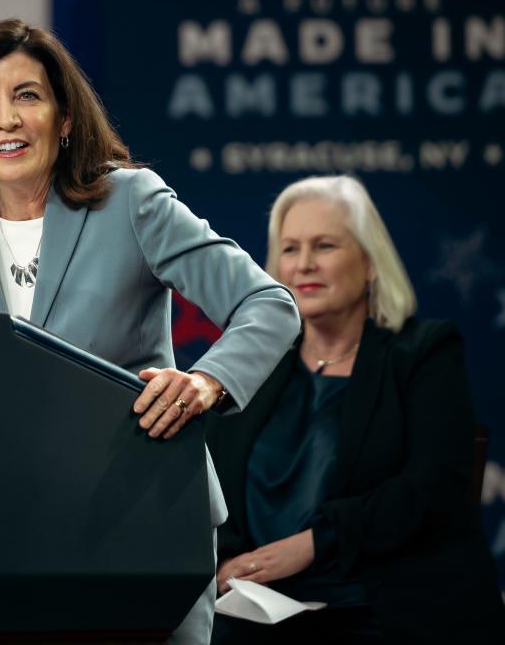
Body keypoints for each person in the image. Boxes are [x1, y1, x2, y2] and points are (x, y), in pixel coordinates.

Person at [0, 19, 300, 643]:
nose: (7, 119)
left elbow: (269, 302)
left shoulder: (129, 201)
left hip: (142, 519)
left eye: (28, 96)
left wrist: (207, 381)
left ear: (65, 117)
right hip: (14, 534)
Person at [206, 175, 505, 643]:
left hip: (382, 608)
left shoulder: (424, 352)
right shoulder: (253, 365)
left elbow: (432, 488)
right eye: (289, 249)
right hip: (259, 611)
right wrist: (224, 564)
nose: (304, 264)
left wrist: (313, 545)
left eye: (324, 246)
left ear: (368, 262)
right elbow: (211, 489)